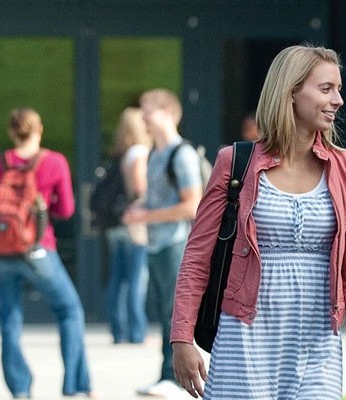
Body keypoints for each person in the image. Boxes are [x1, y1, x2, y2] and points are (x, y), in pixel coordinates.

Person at [170, 44, 346, 400]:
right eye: (326, 89)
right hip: (244, 339)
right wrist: (182, 338)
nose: (338, 100)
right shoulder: (235, 162)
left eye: (338, 89)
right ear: (291, 91)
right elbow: (196, 258)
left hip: (317, 344)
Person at [0, 108, 90, 398]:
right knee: (69, 310)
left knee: (9, 320)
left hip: (2, 252)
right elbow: (66, 210)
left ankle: (20, 389)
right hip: (38, 249)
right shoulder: (53, 162)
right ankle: (76, 385)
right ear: (38, 129)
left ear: (11, 132)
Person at [122, 88, 203, 397]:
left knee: (174, 312)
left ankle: (177, 378)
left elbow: (192, 205)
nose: (143, 116)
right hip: (157, 244)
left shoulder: (182, 154)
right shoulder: (155, 154)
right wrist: (140, 209)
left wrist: (146, 216)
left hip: (175, 243)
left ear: (168, 113)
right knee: (163, 311)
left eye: (148, 110)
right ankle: (166, 374)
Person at [104, 107, 151, 345]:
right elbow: (140, 189)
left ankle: (118, 330)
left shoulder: (121, 154)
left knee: (118, 278)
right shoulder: (140, 152)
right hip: (135, 223)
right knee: (136, 278)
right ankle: (137, 331)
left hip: (117, 222)